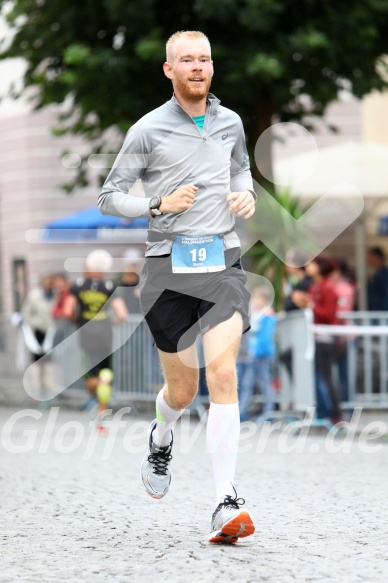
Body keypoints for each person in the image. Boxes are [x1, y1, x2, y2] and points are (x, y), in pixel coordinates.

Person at [99, 30, 256, 543]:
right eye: (186, 60)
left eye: (204, 59)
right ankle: (161, 436)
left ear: (212, 66)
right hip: (167, 269)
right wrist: (157, 206)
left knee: (223, 373)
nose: (196, 67)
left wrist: (245, 195)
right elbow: (109, 196)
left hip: (223, 263)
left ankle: (225, 499)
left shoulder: (230, 122)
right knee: (184, 391)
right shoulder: (147, 130)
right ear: (169, 70)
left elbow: (241, 170)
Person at [63, 250, 128, 432]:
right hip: (105, 333)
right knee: (106, 372)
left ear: (88, 267)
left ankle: (97, 385)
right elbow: (122, 314)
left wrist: (76, 320)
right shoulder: (108, 286)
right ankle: (101, 419)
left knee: (90, 378)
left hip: (86, 333)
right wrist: (113, 322)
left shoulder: (77, 285)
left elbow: (68, 311)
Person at [295, 255, 342, 423]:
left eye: (313, 264)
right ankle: (324, 412)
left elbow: (328, 314)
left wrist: (310, 305)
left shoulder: (328, 287)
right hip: (314, 337)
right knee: (320, 376)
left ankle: (335, 414)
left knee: (327, 377)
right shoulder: (315, 287)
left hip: (325, 337)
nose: (309, 266)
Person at [239, 287, 276, 422]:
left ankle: (269, 412)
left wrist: (256, 352)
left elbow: (265, 339)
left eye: (256, 298)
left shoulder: (267, 316)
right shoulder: (254, 315)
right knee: (247, 384)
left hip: (262, 356)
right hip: (251, 355)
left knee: (265, 383)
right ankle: (242, 411)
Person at [21, 275, 56, 399]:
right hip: (37, 330)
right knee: (37, 359)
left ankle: (49, 387)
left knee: (49, 360)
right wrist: (31, 324)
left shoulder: (55, 296)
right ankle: (37, 387)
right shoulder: (34, 296)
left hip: (51, 330)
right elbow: (27, 312)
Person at [367, 247, 388, 311]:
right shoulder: (378, 273)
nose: (368, 259)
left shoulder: (383, 274)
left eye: (370, 256)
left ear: (376, 257)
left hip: (381, 312)